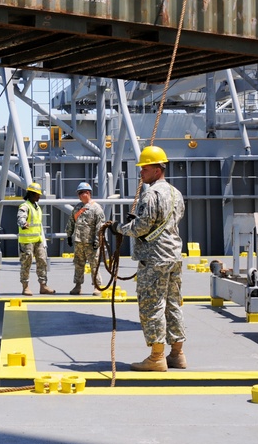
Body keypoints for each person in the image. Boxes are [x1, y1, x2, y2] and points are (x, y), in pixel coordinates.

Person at [108, 146, 187, 372]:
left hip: (155, 258)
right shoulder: (175, 193)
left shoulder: (150, 194)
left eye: (144, 168)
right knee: (173, 303)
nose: (141, 172)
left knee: (152, 304)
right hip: (173, 255)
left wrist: (119, 228)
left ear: (156, 169)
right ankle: (178, 354)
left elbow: (142, 227)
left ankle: (156, 357)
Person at [65, 181, 105, 295]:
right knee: (78, 264)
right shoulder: (78, 207)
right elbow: (72, 221)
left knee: (94, 265)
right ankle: (77, 286)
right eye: (78, 193)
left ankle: (97, 287)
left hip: (91, 242)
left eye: (81, 193)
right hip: (79, 241)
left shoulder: (96, 208)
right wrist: (69, 234)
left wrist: (98, 240)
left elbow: (100, 226)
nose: (79, 195)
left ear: (87, 193)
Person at [17, 182, 55, 295]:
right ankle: (25, 287)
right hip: (27, 241)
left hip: (38, 240)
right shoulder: (25, 206)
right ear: (32, 194)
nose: (39, 196)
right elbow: (20, 217)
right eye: (37, 194)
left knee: (42, 261)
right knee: (26, 264)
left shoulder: (37, 207)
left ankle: (43, 286)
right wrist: (23, 224)